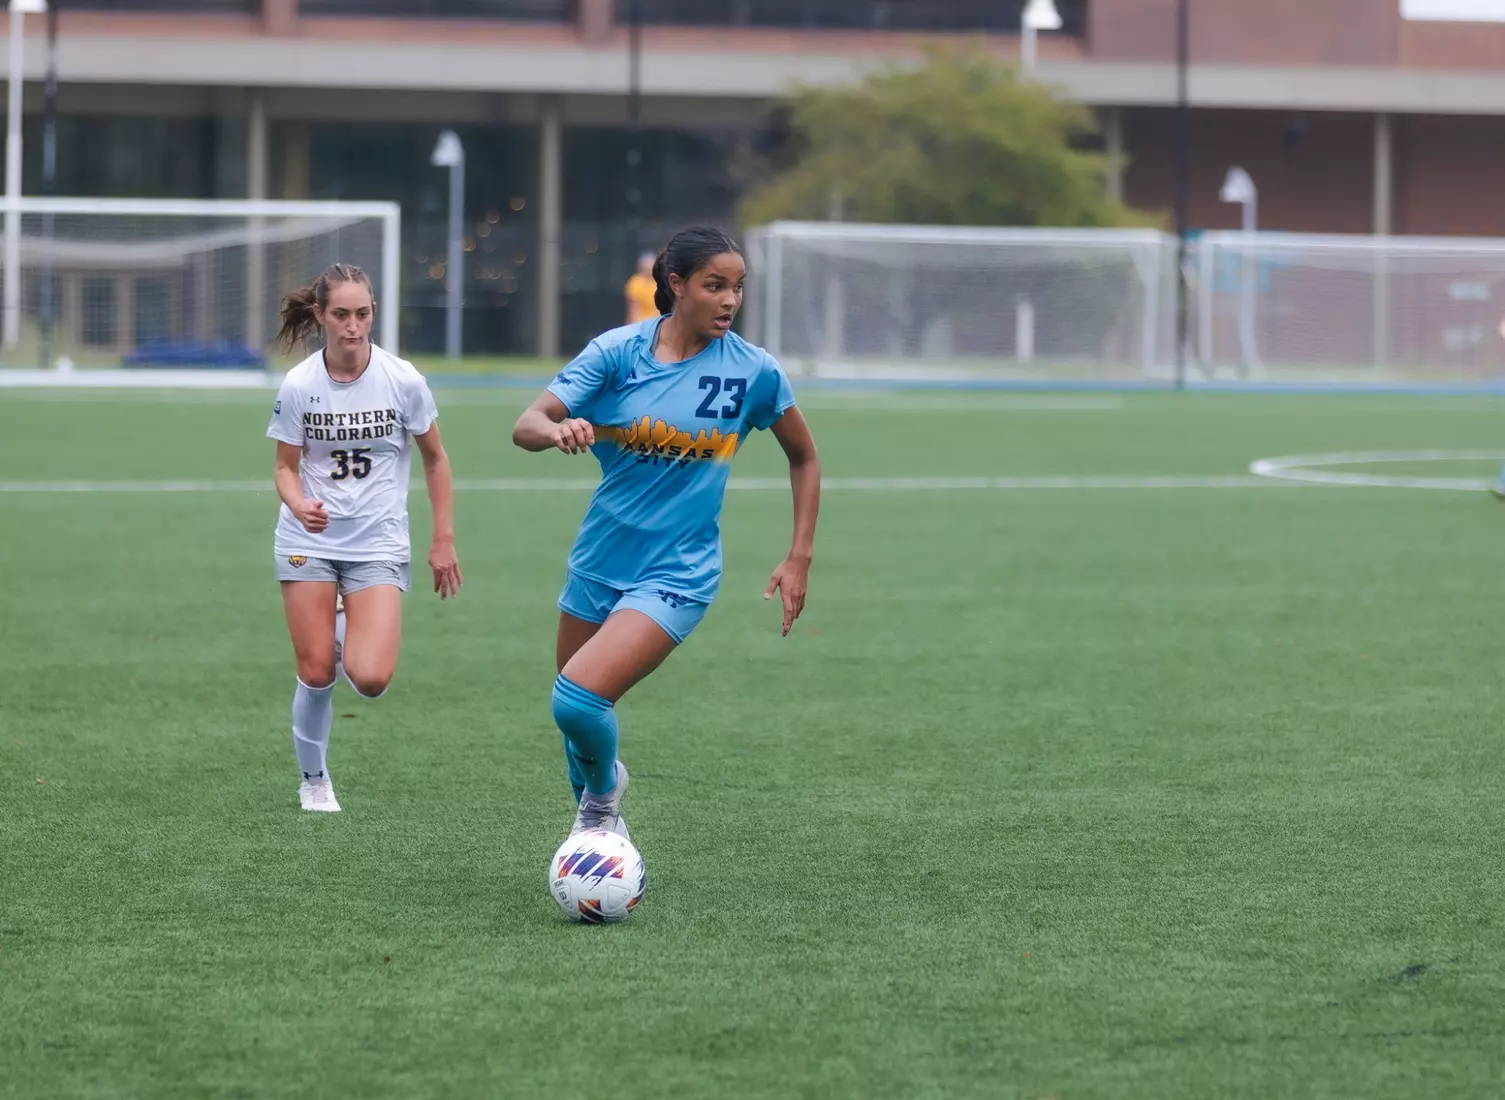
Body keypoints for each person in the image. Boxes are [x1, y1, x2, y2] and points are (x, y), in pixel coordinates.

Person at [512, 226, 821, 840]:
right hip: (599, 560)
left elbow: (804, 457)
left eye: (737, 287)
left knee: (576, 698)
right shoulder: (616, 353)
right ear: (675, 284)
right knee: (576, 720)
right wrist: (557, 431)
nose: (730, 300)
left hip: (678, 572)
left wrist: (798, 557)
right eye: (715, 286)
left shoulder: (754, 372)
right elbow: (527, 423)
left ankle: (602, 809)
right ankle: (596, 839)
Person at [267, 262, 462, 813]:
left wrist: (442, 539)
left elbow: (435, 460)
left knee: (372, 678)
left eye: (363, 313)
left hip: (377, 543)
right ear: (320, 316)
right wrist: (298, 502)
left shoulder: (403, 380)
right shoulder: (300, 385)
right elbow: (284, 468)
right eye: (341, 315)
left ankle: (336, 628)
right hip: (309, 542)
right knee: (316, 672)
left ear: (373, 312)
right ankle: (313, 780)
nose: (353, 326)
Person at [624, 251, 659, 325]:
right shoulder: (635, 283)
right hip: (640, 324)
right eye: (646, 267)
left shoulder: (659, 282)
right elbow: (633, 309)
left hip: (656, 324)